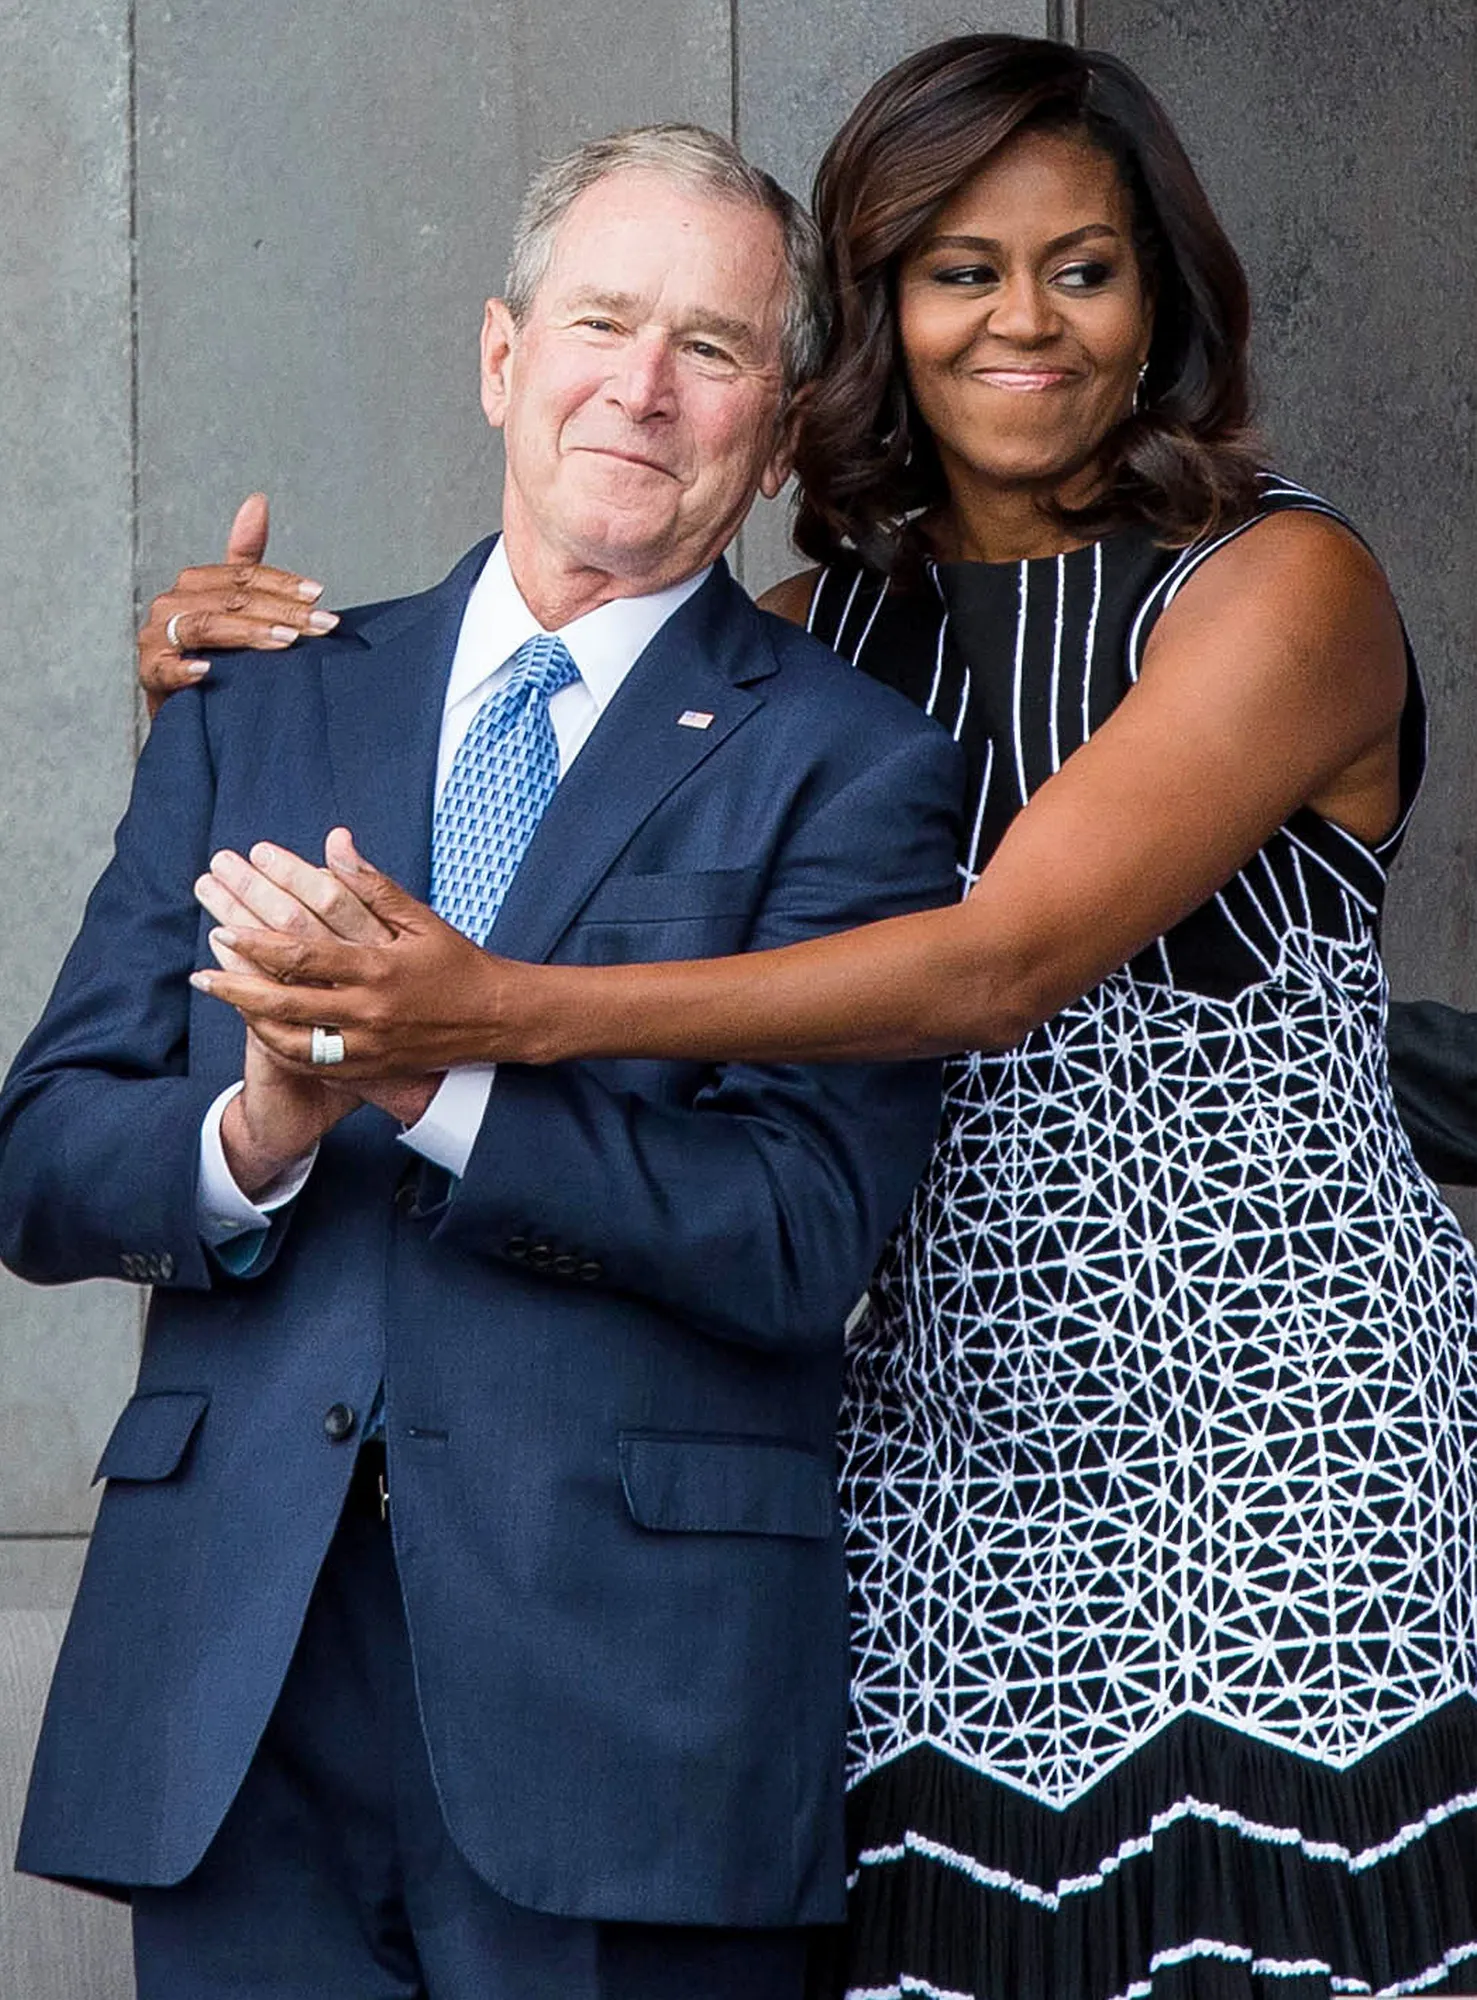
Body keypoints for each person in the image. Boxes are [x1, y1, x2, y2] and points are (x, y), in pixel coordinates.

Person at [137, 35, 1477, 2000]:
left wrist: (503, 1006)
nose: (1025, 320)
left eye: (1084, 271)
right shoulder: (800, 638)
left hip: (1272, 1466)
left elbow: (1000, 960)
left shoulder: (1279, 583)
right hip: (924, 1476)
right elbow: (499, 793)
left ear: (1162, 303)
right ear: (875, 315)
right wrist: (230, 712)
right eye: (960, 270)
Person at [0, 126, 968, 2000]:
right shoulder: (260, 699)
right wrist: (261, 1122)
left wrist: (432, 1079)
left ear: (777, 434)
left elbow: (800, 1235)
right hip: (234, 1689)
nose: (642, 384)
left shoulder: (851, 764)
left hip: (627, 1702)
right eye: (602, 320)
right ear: (501, 359)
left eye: (713, 346)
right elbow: (39, 1157)